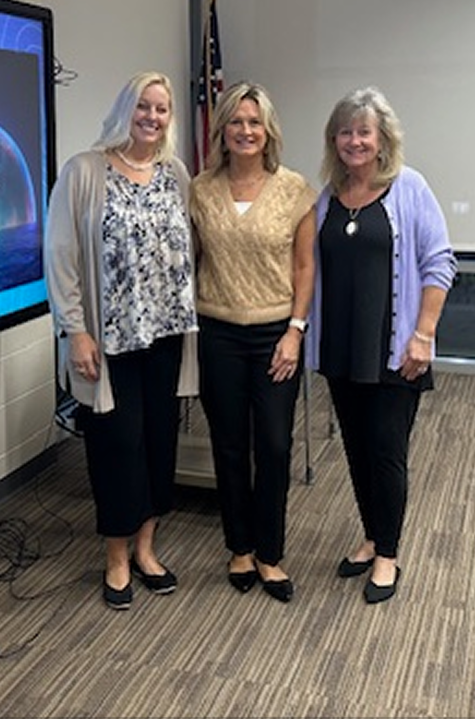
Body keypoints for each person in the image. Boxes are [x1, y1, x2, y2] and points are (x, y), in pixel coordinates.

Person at [44, 71, 199, 610]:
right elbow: (60, 257)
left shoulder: (174, 173)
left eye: (162, 109)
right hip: (107, 344)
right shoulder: (84, 172)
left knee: (159, 442)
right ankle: (115, 555)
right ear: (124, 110)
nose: (152, 118)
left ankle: (147, 547)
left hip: (164, 335)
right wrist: (74, 329)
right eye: (143, 107)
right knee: (115, 446)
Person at [305, 86, 456, 604]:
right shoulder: (326, 195)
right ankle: (371, 537)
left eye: (363, 131)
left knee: (387, 452)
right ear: (334, 140)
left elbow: (440, 264)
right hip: (342, 349)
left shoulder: (409, 188)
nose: (354, 141)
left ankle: (388, 554)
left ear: (382, 137)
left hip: (395, 351)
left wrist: (423, 335)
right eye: (345, 132)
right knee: (355, 450)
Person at [189, 82, 317, 603]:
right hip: (217, 331)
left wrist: (295, 330)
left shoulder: (294, 189)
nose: (245, 131)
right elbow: (188, 260)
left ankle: (271, 553)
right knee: (228, 445)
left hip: (275, 335)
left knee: (275, 445)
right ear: (222, 129)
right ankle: (239, 547)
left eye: (255, 122)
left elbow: (306, 266)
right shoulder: (199, 189)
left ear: (269, 132)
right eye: (237, 121)